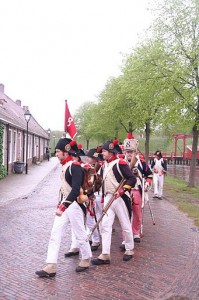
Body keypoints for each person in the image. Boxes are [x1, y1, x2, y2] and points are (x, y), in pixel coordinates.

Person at [35, 138, 92, 277]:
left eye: (58, 151)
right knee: (55, 233)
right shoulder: (65, 165)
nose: (56, 154)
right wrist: (60, 203)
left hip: (74, 205)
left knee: (80, 233)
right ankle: (51, 265)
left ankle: (86, 258)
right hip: (65, 205)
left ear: (66, 152)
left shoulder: (75, 166)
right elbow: (63, 189)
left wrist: (63, 205)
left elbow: (75, 189)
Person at [91, 139, 137, 266]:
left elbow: (131, 179)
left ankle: (129, 249)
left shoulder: (120, 163)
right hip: (108, 197)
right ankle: (105, 254)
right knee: (105, 225)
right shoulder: (105, 164)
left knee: (125, 224)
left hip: (120, 197)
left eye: (105, 151)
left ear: (111, 152)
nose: (103, 153)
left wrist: (122, 190)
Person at [64, 147, 102, 257]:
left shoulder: (88, 168)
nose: (90, 160)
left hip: (87, 198)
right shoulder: (79, 167)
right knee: (76, 224)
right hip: (77, 198)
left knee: (90, 222)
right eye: (90, 158)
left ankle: (95, 240)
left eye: (92, 158)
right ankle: (75, 246)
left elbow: (92, 185)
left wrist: (88, 195)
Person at [121, 133, 153, 246]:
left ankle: (136, 233)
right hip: (124, 191)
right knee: (125, 215)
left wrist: (147, 185)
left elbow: (149, 175)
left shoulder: (141, 162)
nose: (129, 154)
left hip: (136, 190)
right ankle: (125, 238)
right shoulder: (120, 162)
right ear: (124, 152)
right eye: (127, 151)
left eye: (131, 151)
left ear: (135, 152)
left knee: (137, 214)